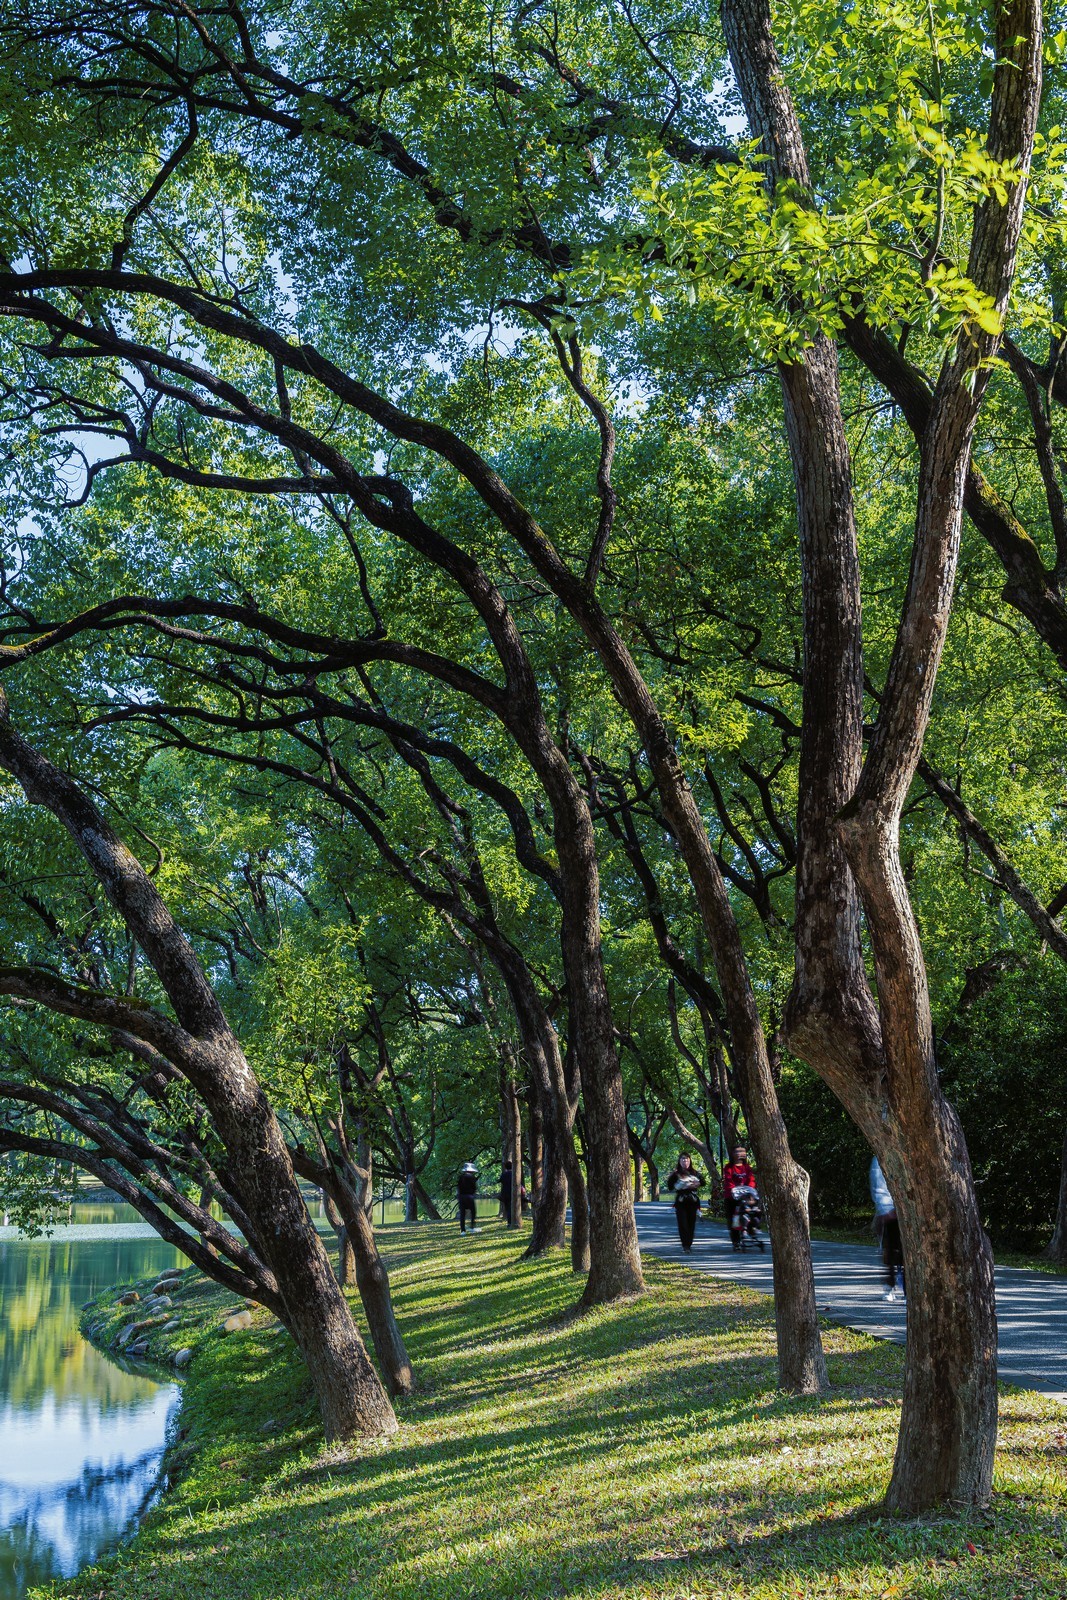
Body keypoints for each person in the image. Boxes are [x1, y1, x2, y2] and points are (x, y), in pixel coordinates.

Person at [870, 1156, 904, 1301]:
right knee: (890, 1252)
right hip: (890, 1212)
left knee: (906, 1252)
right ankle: (890, 1287)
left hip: (906, 1210)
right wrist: (885, 1208)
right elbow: (878, 1184)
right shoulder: (880, 1158)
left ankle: (908, 1289)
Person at [722, 1145, 764, 1252]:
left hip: (746, 1196)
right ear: (733, 1154)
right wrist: (735, 1191)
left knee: (751, 1213)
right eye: (737, 1151)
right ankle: (736, 1241)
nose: (740, 1154)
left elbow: (751, 1180)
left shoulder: (747, 1167)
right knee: (734, 1220)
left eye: (742, 1151)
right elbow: (729, 1181)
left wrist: (749, 1191)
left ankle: (751, 1231)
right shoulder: (729, 1167)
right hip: (732, 1197)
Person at [665, 1152, 704, 1252]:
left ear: (690, 1161)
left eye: (687, 1159)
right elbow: (670, 1186)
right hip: (681, 1201)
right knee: (682, 1224)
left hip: (692, 1201)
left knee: (691, 1224)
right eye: (682, 1159)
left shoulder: (695, 1173)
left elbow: (703, 1182)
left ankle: (689, 1244)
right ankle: (685, 1245)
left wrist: (696, 1184)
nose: (685, 1161)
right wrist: (673, 1178)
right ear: (679, 1161)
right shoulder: (676, 1174)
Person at [458, 1161, 479, 1233]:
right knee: (473, 1212)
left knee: (462, 1214)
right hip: (470, 1196)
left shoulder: (461, 1177)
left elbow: (459, 1188)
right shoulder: (472, 1178)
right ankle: (472, 1227)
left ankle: (462, 1230)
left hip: (462, 1197)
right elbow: (474, 1188)